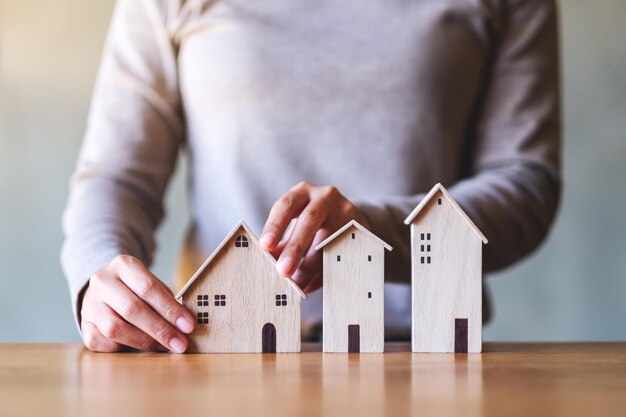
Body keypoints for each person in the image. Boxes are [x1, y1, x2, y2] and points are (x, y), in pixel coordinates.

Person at [62, 0, 561, 353]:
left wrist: (371, 233)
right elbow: (117, 176)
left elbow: (524, 182)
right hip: (219, 349)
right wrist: (98, 272)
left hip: (418, 355)